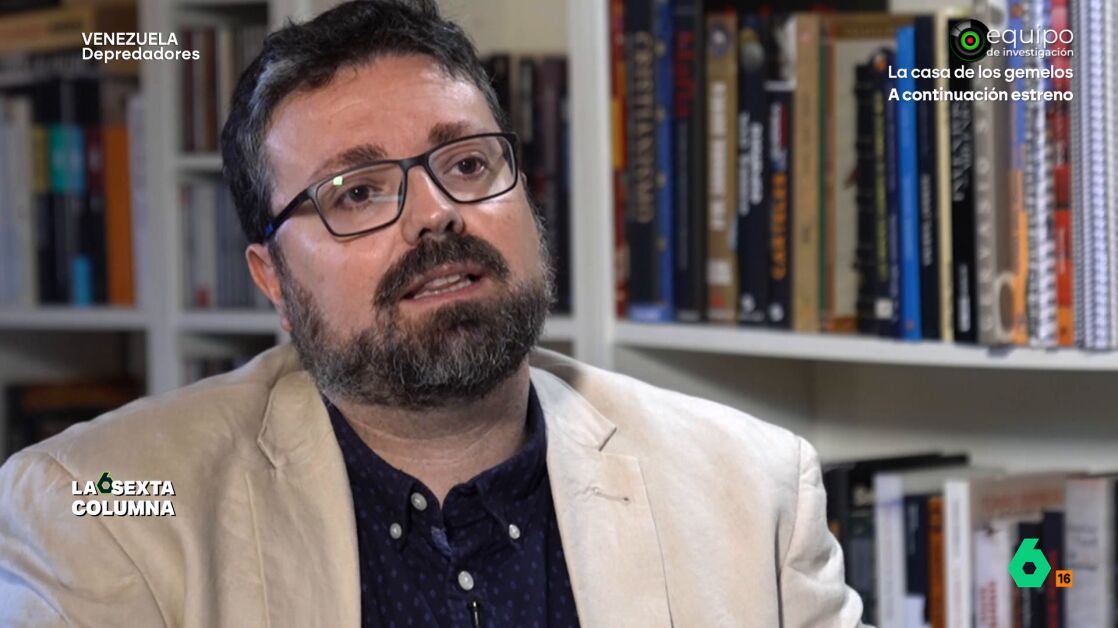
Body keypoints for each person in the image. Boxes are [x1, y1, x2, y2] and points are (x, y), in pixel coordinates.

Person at [0, 1, 865, 625]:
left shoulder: (751, 488)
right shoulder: (98, 511)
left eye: (467, 164)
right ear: (273, 281)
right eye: (358, 191)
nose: (437, 214)